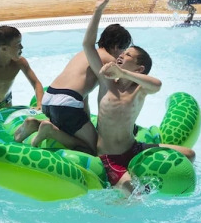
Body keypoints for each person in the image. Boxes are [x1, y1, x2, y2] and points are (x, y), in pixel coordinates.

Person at [83, 0, 195, 193]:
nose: (121, 55)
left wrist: (123, 73)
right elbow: (88, 46)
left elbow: (157, 85)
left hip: (134, 148)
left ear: (139, 69)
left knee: (189, 154)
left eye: (127, 55)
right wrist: (98, 10)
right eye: (122, 53)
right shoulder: (106, 82)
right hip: (109, 156)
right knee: (132, 192)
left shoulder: (140, 89)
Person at [14, 18, 132, 154]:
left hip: (49, 98)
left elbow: (83, 96)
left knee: (72, 128)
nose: (121, 56)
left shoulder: (83, 54)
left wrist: (86, 122)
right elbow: (106, 96)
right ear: (116, 46)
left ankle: (35, 124)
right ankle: (50, 131)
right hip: (67, 104)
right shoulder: (109, 61)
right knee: (93, 149)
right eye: (123, 50)